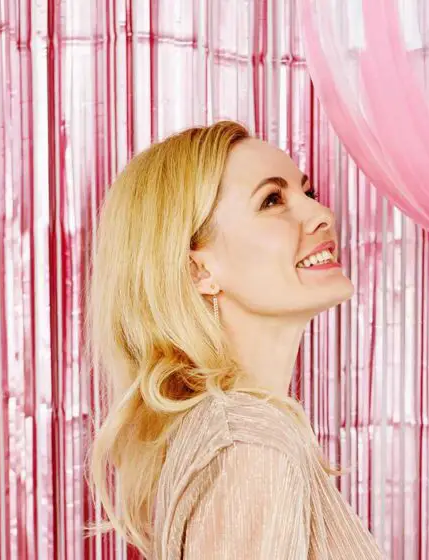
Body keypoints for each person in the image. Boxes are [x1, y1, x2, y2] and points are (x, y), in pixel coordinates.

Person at [87, 121, 383, 559]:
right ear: (198, 271)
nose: (323, 215)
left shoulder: (236, 431)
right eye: (273, 200)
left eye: (308, 193)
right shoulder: (251, 446)